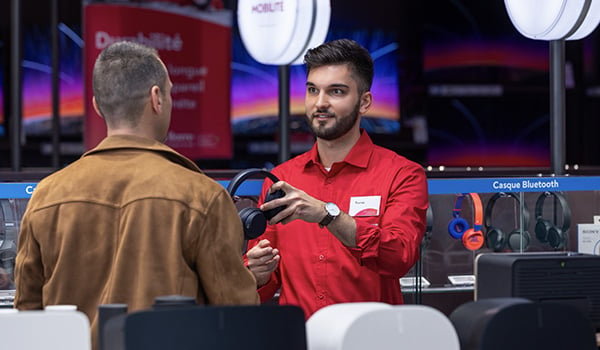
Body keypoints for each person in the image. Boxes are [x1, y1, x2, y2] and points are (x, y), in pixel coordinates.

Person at [14, 41, 259, 346]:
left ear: (96, 105)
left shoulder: (46, 196)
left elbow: (26, 314)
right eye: (169, 92)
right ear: (156, 98)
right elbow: (237, 316)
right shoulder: (202, 196)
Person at [245, 38, 429, 319]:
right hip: (302, 339)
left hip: (372, 339)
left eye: (336, 91)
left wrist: (328, 215)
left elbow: (398, 257)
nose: (320, 103)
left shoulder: (402, 174)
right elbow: (266, 282)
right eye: (312, 90)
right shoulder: (281, 178)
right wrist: (256, 274)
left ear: (364, 102)